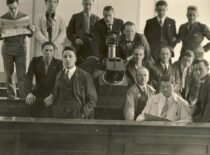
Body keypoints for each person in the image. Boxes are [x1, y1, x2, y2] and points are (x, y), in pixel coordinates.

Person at [45, 46, 97, 119]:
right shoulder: (59, 75)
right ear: (62, 59)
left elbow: (93, 99)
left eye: (70, 56)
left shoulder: (85, 76)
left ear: (75, 59)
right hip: (59, 113)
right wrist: (52, 96)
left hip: (77, 113)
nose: (67, 59)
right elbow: (56, 92)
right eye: (65, 57)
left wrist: (84, 113)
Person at [0, 0, 33, 99]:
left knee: (22, 75)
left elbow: (30, 35)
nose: (13, 10)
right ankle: (11, 98)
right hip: (7, 49)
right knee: (9, 76)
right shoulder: (3, 18)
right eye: (11, 8)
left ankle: (23, 99)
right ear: (7, 6)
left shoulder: (24, 16)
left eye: (15, 8)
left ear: (18, 5)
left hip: (20, 49)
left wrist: (30, 28)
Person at [25, 41, 63, 117]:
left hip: (52, 93)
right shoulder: (35, 61)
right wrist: (29, 93)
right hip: (38, 92)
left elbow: (60, 82)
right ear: (41, 50)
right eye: (46, 50)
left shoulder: (59, 63)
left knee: (51, 110)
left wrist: (52, 95)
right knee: (31, 106)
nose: (48, 53)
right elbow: (28, 78)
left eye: (51, 51)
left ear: (54, 52)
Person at [67, 0, 100, 65]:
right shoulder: (75, 17)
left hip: (91, 49)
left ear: (93, 4)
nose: (87, 7)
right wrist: (75, 40)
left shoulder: (97, 19)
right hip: (78, 48)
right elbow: (69, 32)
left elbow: (98, 35)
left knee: (90, 68)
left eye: (90, 4)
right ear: (82, 4)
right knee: (77, 67)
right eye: (86, 4)